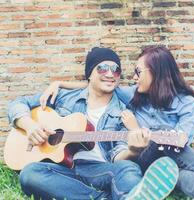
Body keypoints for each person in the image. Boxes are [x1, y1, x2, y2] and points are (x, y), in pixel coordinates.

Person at [40, 45, 194, 200]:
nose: (134, 77)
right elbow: (99, 84)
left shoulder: (186, 103)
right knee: (162, 138)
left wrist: (137, 128)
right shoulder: (132, 94)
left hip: (170, 159)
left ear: (155, 72)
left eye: (138, 72)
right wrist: (60, 83)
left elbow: (181, 140)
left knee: (172, 162)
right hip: (141, 158)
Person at [7, 47, 179, 200]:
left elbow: (117, 154)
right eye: (103, 68)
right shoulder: (63, 97)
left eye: (116, 70)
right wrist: (30, 126)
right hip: (62, 169)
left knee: (128, 168)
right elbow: (18, 103)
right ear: (89, 73)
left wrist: (133, 150)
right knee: (30, 173)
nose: (110, 74)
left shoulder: (123, 112)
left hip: (99, 170)